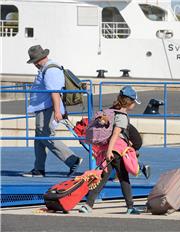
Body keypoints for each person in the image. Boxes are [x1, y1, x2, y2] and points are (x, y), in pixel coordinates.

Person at [79, 85, 141, 214]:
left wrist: (108, 150)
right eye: (134, 102)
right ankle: (130, 207)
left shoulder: (110, 111)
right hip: (116, 151)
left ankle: (88, 205)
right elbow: (115, 135)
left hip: (108, 148)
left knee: (103, 178)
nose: (134, 105)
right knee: (124, 178)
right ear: (129, 102)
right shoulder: (122, 116)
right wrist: (110, 151)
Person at [22, 45, 82, 178]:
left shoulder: (50, 70)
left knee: (46, 136)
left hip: (48, 108)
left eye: (34, 62)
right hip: (43, 108)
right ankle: (39, 169)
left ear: (37, 61)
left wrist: (57, 112)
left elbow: (54, 92)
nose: (35, 65)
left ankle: (72, 159)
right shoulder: (48, 68)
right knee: (39, 138)